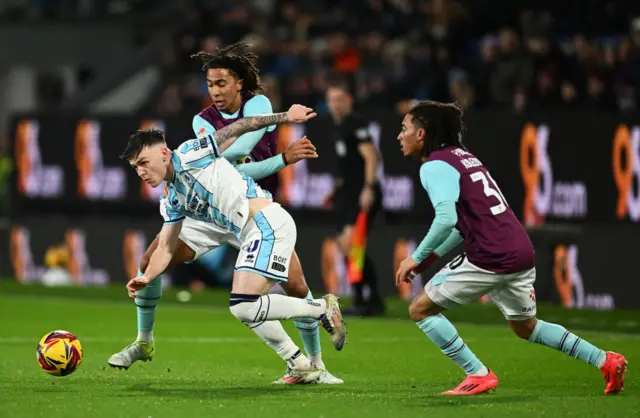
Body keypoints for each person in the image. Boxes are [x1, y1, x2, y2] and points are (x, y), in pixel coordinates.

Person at [109, 42, 343, 384]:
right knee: (150, 261)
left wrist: (285, 120)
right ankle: (144, 342)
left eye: (221, 83)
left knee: (290, 287)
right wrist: (145, 278)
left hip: (255, 213)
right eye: (210, 84)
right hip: (213, 214)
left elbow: (241, 136)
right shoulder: (182, 171)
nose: (215, 91)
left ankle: (316, 361)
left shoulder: (206, 140)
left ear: (237, 84)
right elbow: (167, 245)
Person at [395, 100, 627, 396]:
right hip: (518, 251)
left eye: (404, 129)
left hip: (490, 256)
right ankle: (605, 360)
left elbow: (445, 219)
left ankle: (477, 374)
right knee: (526, 327)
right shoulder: (463, 157)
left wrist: (414, 257)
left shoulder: (434, 166)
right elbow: (461, 226)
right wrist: (429, 259)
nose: (399, 136)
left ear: (422, 134)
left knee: (420, 308)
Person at [323, 77, 384, 316]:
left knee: (352, 245)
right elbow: (347, 167)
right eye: (331, 100)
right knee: (345, 246)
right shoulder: (337, 127)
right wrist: (335, 190)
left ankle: (370, 299)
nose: (335, 104)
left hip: (361, 193)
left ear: (350, 100)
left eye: (340, 99)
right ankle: (364, 298)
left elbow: (371, 157)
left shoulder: (355, 124)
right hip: (347, 194)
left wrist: (369, 187)